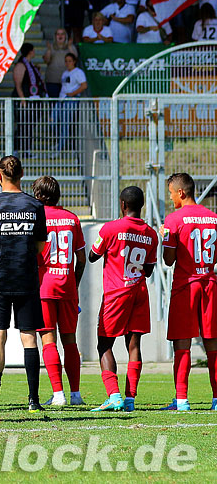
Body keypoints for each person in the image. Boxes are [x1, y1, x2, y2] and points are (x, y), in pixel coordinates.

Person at [0, 156, 48, 413]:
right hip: (27, 279)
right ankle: (34, 400)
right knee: (29, 338)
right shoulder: (35, 206)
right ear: (22, 174)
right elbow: (40, 246)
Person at [88, 186, 158, 413]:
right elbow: (148, 270)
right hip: (139, 291)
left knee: (104, 343)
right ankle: (130, 399)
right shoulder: (151, 233)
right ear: (142, 205)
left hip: (116, 293)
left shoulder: (111, 228)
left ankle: (114, 395)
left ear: (122, 204)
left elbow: (92, 256)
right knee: (134, 344)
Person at [161, 173, 217, 411]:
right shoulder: (214, 218)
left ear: (181, 193)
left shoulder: (174, 219)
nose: (171, 197)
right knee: (213, 343)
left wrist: (165, 236)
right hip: (210, 283)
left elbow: (168, 259)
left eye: (171, 193)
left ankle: (182, 399)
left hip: (186, 285)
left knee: (182, 343)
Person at [33, 176, 86, 407]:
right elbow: (81, 259)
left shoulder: (36, 218)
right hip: (67, 285)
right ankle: (76, 394)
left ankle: (58, 395)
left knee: (48, 340)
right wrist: (74, 283)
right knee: (70, 341)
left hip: (44, 286)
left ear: (38, 196)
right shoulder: (72, 219)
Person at [43, 28, 77, 98]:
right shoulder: (50, 47)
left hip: (67, 80)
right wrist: (49, 50)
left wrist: (69, 46)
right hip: (52, 80)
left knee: (67, 105)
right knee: (53, 103)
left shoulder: (71, 47)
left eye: (62, 34)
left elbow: (75, 59)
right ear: (55, 36)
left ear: (65, 36)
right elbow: (46, 61)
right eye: (58, 34)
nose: (60, 36)